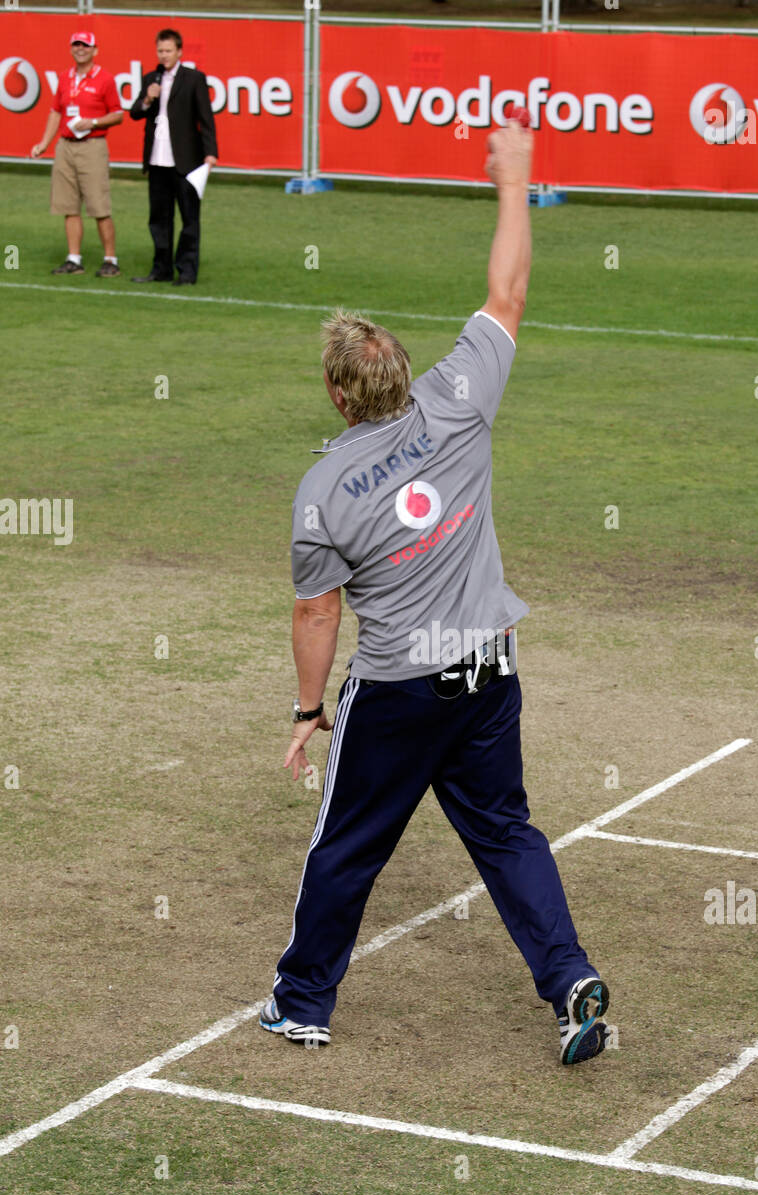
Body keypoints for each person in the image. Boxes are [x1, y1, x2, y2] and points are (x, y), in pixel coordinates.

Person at [259, 120, 613, 1067]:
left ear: (339, 395)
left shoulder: (325, 488)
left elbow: (316, 611)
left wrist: (306, 710)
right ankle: (571, 982)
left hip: (401, 692)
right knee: (506, 833)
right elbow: (509, 289)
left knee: (346, 848)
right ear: (402, 374)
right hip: (490, 674)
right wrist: (517, 178)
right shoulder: (460, 394)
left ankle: (301, 1004)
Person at [29, 32, 123, 277]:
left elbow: (118, 114)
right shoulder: (64, 77)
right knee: (68, 205)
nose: (80, 49)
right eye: (76, 45)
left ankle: (111, 260)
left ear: (95, 50)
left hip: (93, 146)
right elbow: (56, 113)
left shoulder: (105, 79)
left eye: (85, 45)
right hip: (65, 146)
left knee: (99, 206)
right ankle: (74, 259)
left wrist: (92, 122)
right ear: (71, 48)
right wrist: (44, 143)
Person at [129, 29, 217, 285]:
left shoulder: (193, 79)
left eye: (168, 50)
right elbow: (135, 112)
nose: (164, 55)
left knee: (189, 219)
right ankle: (161, 269)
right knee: (159, 219)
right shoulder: (151, 78)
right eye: (160, 51)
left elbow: (206, 119)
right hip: (157, 162)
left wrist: (211, 153)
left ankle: (187, 272)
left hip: (186, 162)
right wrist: (147, 98)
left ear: (179, 52)